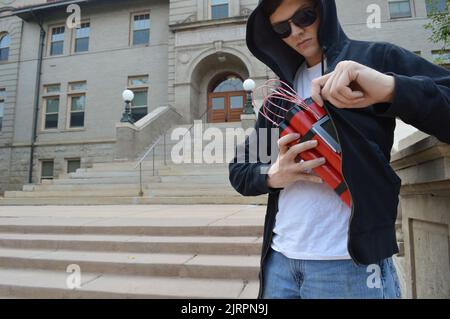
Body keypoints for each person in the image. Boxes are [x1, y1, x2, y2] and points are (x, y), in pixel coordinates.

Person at [229, 0, 450, 299]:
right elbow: (239, 170)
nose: (296, 31)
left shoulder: (372, 59)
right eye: (282, 28)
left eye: (304, 17)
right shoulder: (280, 98)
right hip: (280, 263)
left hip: (351, 268)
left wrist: (389, 88)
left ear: (323, 10)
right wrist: (273, 174)